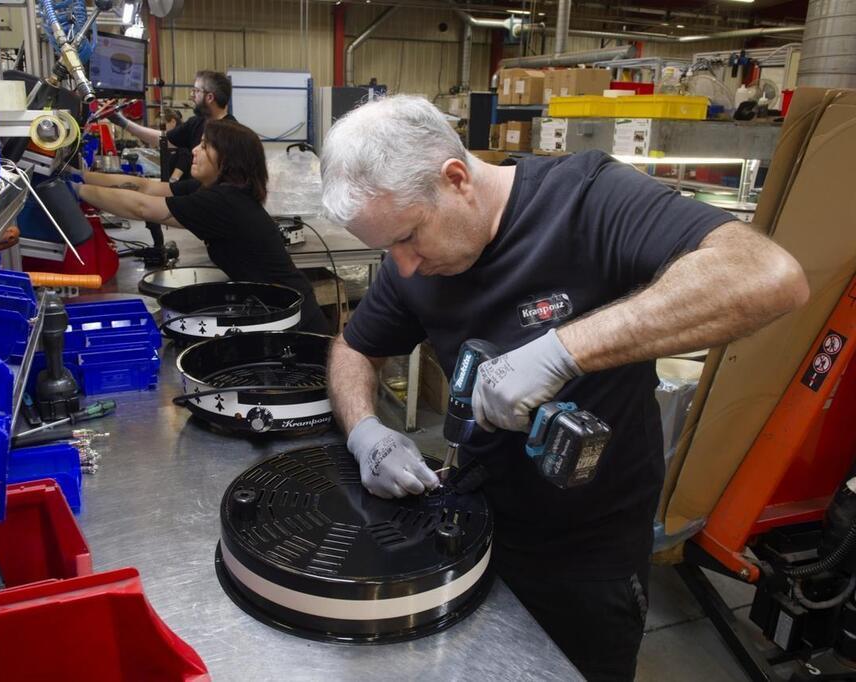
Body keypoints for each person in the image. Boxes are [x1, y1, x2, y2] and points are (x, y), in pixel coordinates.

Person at [319, 96, 808, 681]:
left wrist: (561, 352)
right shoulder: (416, 267)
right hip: (470, 522)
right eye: (387, 249)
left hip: (589, 551)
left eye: (409, 238)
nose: (403, 267)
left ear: (455, 179)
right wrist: (365, 432)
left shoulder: (586, 197)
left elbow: (767, 276)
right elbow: (353, 348)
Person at [73, 118, 331, 335]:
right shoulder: (213, 189)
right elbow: (145, 187)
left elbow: (142, 207)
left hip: (294, 321)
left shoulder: (224, 201)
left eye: (205, 146)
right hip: (275, 310)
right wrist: (81, 175)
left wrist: (77, 190)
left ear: (228, 159)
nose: (194, 150)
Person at [109, 70, 235, 183]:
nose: (191, 95)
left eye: (196, 91)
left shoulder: (230, 134)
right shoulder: (196, 123)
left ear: (210, 97)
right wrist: (123, 122)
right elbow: (162, 139)